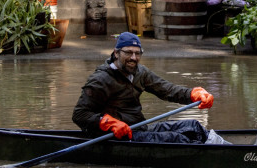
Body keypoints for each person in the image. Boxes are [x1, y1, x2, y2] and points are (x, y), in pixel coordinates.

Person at [72, 31, 226, 144]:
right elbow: (79, 115)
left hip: (140, 129)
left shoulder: (140, 72)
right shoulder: (100, 80)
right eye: (128, 53)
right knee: (179, 139)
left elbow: (168, 90)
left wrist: (194, 93)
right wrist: (108, 123)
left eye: (137, 53)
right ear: (116, 53)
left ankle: (225, 147)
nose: (133, 58)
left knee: (194, 126)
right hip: (117, 136)